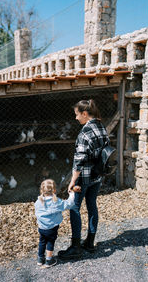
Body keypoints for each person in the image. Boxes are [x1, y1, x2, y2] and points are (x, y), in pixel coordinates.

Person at [58, 99, 110, 260]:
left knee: (74, 208)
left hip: (83, 177)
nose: (76, 118)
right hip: (97, 176)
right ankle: (90, 242)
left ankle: (75, 247)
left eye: (77, 114)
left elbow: (79, 160)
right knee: (92, 205)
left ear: (85, 114)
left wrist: (72, 181)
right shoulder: (102, 127)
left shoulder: (85, 133)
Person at [34, 179, 75, 268]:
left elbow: (37, 213)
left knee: (42, 241)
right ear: (54, 190)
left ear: (41, 190)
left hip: (41, 227)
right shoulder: (56, 202)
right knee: (50, 242)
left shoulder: (38, 202)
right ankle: (49, 260)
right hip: (51, 228)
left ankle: (40, 259)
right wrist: (72, 194)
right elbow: (68, 204)